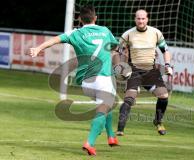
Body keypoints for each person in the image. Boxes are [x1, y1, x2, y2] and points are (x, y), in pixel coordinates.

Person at [28, 5, 119, 156]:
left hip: (85, 82)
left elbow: (55, 40)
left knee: (105, 105)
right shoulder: (105, 31)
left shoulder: (75, 33)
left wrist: (38, 49)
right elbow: (115, 49)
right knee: (104, 108)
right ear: (95, 18)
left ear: (79, 19)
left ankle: (111, 136)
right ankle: (90, 142)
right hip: (103, 77)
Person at [116, 9, 173, 136]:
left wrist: (168, 65)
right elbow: (120, 52)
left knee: (163, 96)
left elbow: (165, 50)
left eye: (143, 18)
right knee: (129, 99)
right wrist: (123, 67)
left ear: (147, 19)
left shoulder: (156, 33)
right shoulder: (127, 35)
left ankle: (158, 122)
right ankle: (120, 129)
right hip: (134, 71)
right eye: (138, 18)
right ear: (135, 19)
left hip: (151, 71)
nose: (141, 21)